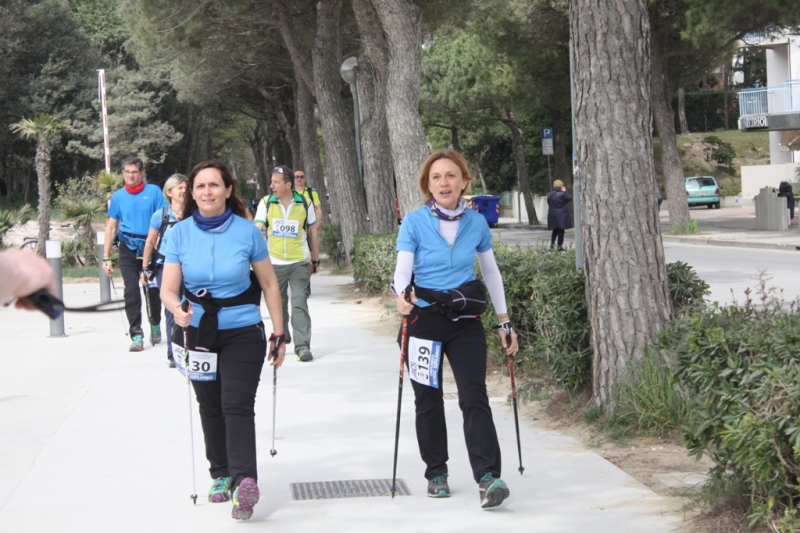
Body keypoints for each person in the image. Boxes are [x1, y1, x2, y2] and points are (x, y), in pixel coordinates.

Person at [392, 148, 519, 509]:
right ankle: (436, 472)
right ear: (427, 185)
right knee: (427, 399)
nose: (444, 182)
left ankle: (488, 477)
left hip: (464, 321)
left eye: (451, 175)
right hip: (423, 320)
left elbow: (490, 272)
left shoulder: (476, 223)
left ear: (464, 181)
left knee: (473, 396)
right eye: (436, 177)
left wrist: (504, 320)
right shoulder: (414, 222)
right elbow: (402, 270)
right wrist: (400, 296)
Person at [160, 160, 286, 521]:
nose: (207, 192)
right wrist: (177, 310)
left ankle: (244, 481)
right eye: (200, 186)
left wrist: (279, 334)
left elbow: (269, 284)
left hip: (243, 330)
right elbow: (168, 290)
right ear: (191, 192)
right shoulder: (179, 234)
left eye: (214, 185)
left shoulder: (248, 233)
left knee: (236, 404)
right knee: (210, 404)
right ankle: (220, 473)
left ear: (228, 190)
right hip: (197, 330)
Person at [254, 166, 320, 362]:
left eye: (276, 182)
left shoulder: (304, 203)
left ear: (288, 185)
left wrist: (315, 259)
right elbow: (257, 227)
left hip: (299, 262)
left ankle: (303, 346)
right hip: (273, 263)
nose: (272, 185)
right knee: (279, 303)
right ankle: (283, 334)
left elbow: (312, 232)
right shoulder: (266, 203)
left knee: (299, 301)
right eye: (271, 182)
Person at [101, 157, 167, 351]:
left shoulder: (153, 192)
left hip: (150, 246)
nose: (130, 175)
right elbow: (111, 227)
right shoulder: (118, 197)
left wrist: (159, 237)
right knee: (131, 291)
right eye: (127, 172)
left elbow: (164, 218)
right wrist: (106, 258)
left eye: (134, 172)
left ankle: (155, 323)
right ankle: (136, 334)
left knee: (152, 291)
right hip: (128, 247)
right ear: (123, 173)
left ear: (142, 173)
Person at [140, 174, 187, 368]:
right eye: (180, 188)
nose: (184, 190)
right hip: (165, 267)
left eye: (186, 187)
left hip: (190, 266)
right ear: (169, 192)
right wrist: (145, 268)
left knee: (192, 307)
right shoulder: (160, 215)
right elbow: (150, 242)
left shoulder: (195, 213)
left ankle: (192, 349)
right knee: (172, 309)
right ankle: (174, 353)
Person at [546, 179, 573, 250]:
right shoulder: (562, 194)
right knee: (561, 230)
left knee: (555, 230)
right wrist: (565, 191)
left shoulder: (550, 194)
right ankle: (559, 246)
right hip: (561, 214)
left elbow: (548, 203)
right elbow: (569, 198)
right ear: (561, 185)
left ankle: (552, 245)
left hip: (552, 214)